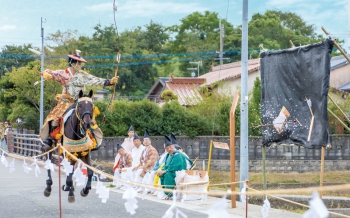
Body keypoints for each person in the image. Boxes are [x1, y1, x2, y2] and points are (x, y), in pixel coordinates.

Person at [39, 50, 119, 148]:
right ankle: (51, 139)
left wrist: (109, 81)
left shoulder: (82, 75)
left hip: (79, 101)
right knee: (54, 118)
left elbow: (95, 79)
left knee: (89, 117)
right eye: (79, 64)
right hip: (66, 102)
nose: (81, 66)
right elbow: (50, 72)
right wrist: (47, 74)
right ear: (73, 64)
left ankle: (93, 138)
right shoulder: (63, 73)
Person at [156, 135, 191, 200]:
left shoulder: (177, 154)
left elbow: (174, 167)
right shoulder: (168, 155)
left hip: (179, 172)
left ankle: (170, 195)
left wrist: (164, 171)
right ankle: (164, 193)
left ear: (173, 146)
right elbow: (166, 165)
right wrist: (162, 170)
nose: (169, 149)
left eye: (170, 147)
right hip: (170, 171)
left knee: (167, 175)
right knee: (161, 174)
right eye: (167, 148)